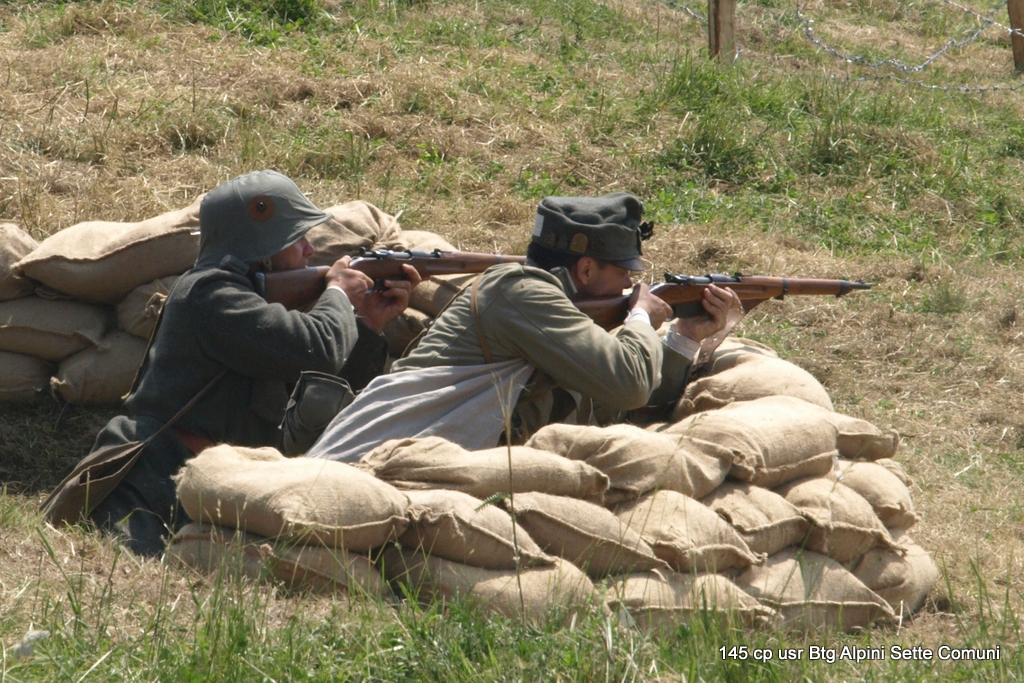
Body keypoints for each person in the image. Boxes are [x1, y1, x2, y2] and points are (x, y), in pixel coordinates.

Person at [87, 170, 420, 556]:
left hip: (224, 482)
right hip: (158, 479)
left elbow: (324, 382)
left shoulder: (256, 304)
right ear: (263, 245)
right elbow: (316, 350)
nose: (310, 249)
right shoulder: (210, 293)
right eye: (297, 238)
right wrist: (339, 295)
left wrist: (369, 324)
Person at [306, 192, 741, 462]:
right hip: (373, 456)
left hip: (423, 456)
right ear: (586, 269)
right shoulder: (520, 290)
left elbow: (623, 406)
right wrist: (642, 317)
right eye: (624, 272)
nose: (630, 285)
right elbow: (629, 383)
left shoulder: (556, 313)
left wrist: (685, 338)